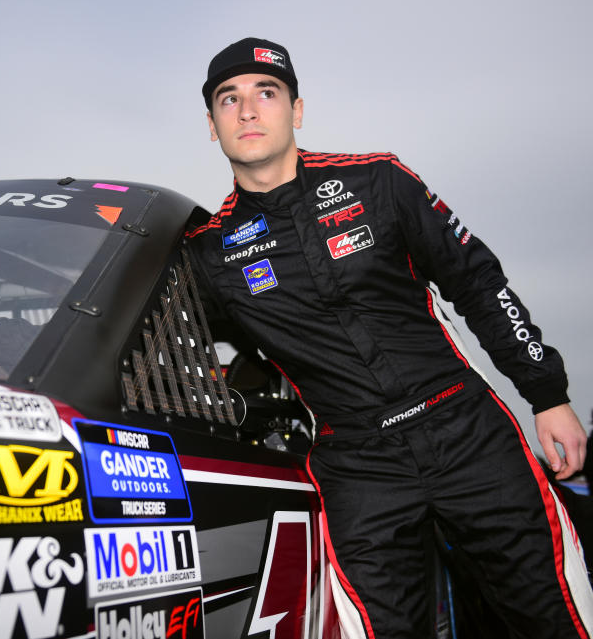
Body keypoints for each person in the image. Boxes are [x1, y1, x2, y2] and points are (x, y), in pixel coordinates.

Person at [185, 38, 593, 638]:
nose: (248, 110)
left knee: (552, 616)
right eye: (229, 99)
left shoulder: (379, 181)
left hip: (467, 431)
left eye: (266, 93)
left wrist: (547, 393)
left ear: (296, 111)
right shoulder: (211, 252)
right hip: (358, 463)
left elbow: (477, 281)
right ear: (213, 127)